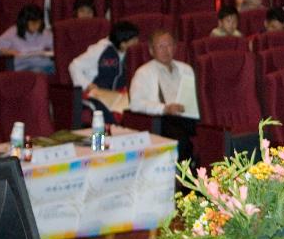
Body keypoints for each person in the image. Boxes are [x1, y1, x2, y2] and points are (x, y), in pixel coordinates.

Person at [129, 29, 199, 164]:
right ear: (151, 50)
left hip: (188, 115)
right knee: (181, 140)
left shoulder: (186, 69)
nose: (166, 50)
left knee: (212, 133)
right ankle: (185, 178)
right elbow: (135, 104)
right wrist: (164, 108)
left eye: (169, 45)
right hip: (163, 119)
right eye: (161, 46)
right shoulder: (143, 73)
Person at [69, 21, 141, 124]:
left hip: (119, 93)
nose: (137, 43)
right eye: (133, 40)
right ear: (122, 43)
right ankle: (99, 139)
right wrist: (87, 84)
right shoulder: (99, 50)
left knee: (136, 109)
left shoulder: (132, 53)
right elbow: (74, 66)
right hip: (97, 93)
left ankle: (119, 138)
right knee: (104, 116)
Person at [0, 4, 54, 73]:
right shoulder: (13, 32)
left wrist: (50, 53)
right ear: (24, 22)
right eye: (33, 23)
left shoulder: (44, 32)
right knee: (37, 71)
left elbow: (57, 47)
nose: (36, 26)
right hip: (24, 69)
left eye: (39, 23)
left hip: (46, 66)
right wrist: (8, 51)